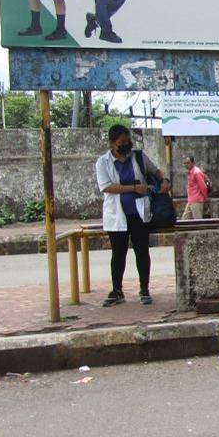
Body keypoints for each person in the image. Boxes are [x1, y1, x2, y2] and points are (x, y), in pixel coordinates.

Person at [94, 124, 169, 306]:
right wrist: (134, 188)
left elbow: (156, 171)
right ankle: (117, 290)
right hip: (117, 215)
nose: (126, 145)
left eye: (128, 141)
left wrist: (164, 180)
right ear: (112, 144)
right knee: (118, 254)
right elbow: (107, 187)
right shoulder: (102, 162)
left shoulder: (138, 157)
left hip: (139, 213)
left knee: (142, 251)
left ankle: (144, 289)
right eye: (122, 142)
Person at [181, 156, 209, 220]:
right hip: (191, 200)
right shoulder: (191, 172)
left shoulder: (196, 172)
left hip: (197, 200)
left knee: (198, 221)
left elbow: (203, 187)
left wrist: (205, 198)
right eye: (184, 163)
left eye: (188, 163)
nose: (186, 165)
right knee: (184, 219)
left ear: (193, 163)